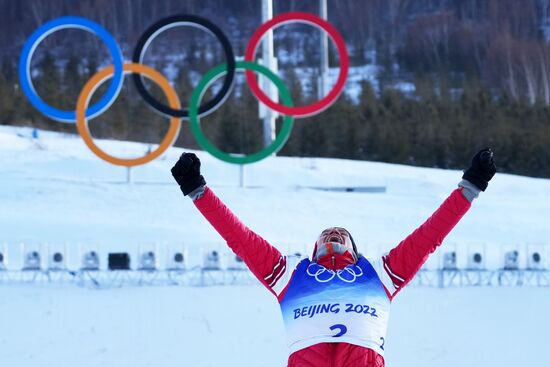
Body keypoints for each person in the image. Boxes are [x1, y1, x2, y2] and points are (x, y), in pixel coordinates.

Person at [171, 148, 496, 367]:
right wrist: (197, 189)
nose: (333, 235)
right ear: (314, 250)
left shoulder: (381, 273)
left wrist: (470, 186)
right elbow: (240, 237)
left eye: (341, 234)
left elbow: (428, 237)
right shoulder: (289, 275)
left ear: (354, 249)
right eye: (326, 234)